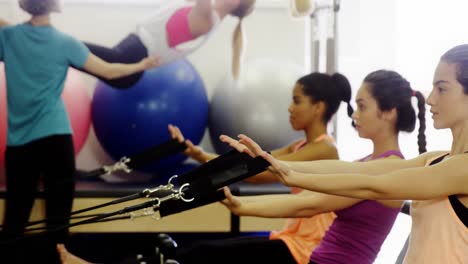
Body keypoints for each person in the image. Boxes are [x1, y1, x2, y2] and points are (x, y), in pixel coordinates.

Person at [57, 71, 352, 264]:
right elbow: (252, 170)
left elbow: (258, 171)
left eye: (296, 101)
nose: (289, 107)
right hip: (291, 241)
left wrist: (229, 163)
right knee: (198, 253)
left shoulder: (325, 149)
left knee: (203, 255)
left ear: (319, 107)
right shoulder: (299, 147)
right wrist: (195, 153)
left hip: (310, 250)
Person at [222, 45, 468, 263]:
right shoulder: (434, 159)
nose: (430, 98)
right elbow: (352, 170)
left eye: (442, 89)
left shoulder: (463, 168)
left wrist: (289, 175)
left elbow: (374, 186)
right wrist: (274, 164)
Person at [0, 0, 158, 263]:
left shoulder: (8, 37)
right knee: (58, 224)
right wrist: (141, 65)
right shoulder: (65, 42)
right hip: (56, 139)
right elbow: (109, 70)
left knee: (14, 222)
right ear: (54, 6)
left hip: (20, 145)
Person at [77, 0, 255, 88]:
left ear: (236, 3)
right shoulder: (204, 12)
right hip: (129, 54)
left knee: (66, 47)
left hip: (129, 59)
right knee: (67, 50)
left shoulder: (207, 17)